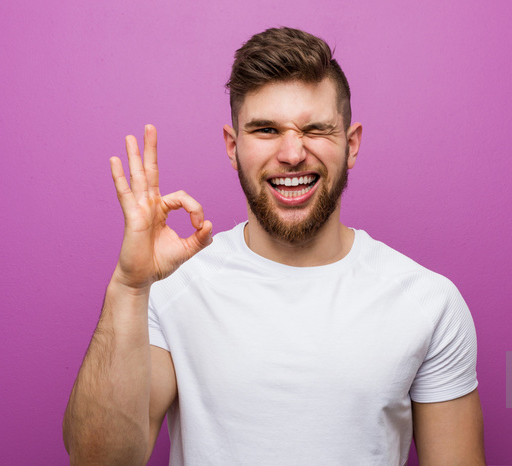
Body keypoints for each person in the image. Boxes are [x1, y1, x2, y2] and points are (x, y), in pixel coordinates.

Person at [63, 27, 485, 465]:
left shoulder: (429, 302)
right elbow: (99, 461)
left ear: (352, 143)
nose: (291, 153)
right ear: (233, 146)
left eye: (315, 129)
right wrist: (130, 288)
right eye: (266, 130)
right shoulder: (171, 286)